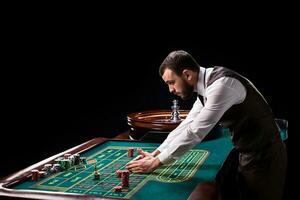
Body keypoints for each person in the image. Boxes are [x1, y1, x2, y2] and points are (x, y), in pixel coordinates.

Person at [126, 50, 287, 200]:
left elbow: (195, 133)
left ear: (187, 74)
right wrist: (156, 153)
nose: (171, 89)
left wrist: (155, 163)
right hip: (249, 153)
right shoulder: (205, 89)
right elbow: (187, 126)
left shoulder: (221, 86)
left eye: (171, 82)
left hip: (266, 157)